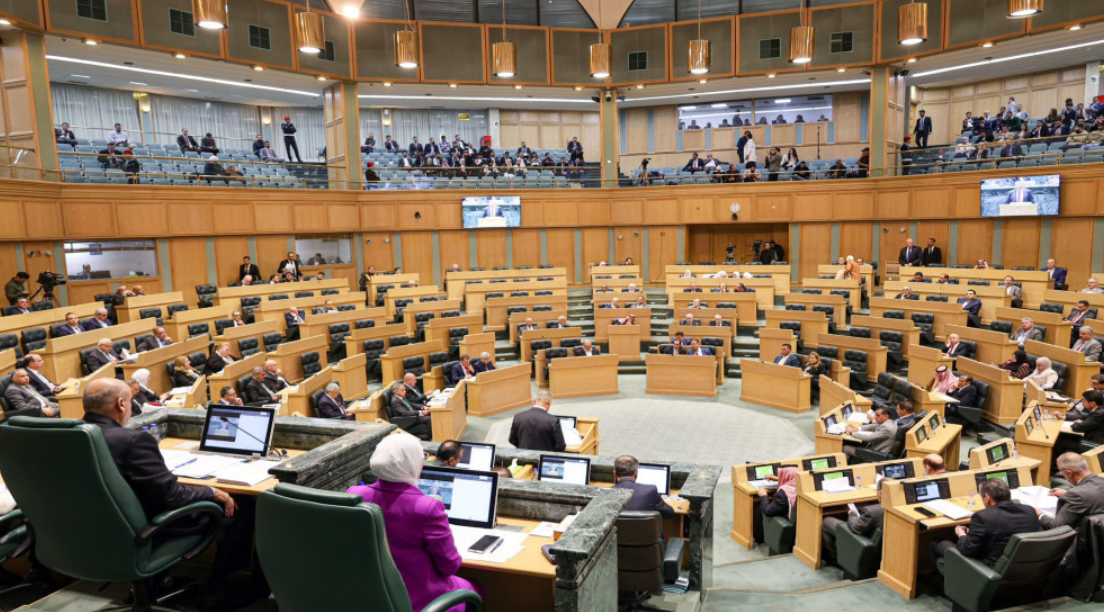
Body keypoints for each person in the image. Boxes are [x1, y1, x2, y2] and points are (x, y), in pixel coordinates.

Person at [80, 378, 258, 608]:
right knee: (241, 504)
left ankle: (154, 584)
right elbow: (172, 497)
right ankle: (216, 589)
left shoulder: (70, 437)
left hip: (91, 530)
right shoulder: (132, 440)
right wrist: (212, 491)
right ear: (121, 404)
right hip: (146, 529)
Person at [346, 435, 483, 611]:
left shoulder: (355, 494)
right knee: (476, 587)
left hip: (371, 596)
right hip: (418, 600)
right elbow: (450, 566)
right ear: (414, 464)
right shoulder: (427, 508)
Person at [930, 479, 1040, 568]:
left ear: (987, 498)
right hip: (1027, 568)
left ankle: (950, 587)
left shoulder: (983, 517)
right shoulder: (1029, 510)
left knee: (936, 543)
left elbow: (966, 550)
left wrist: (961, 535)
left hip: (990, 570)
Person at [822, 478, 886, 564]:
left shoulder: (871, 511)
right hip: (880, 546)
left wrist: (852, 514)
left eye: (877, 489)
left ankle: (834, 559)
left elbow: (855, 527)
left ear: (881, 492)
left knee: (826, 521)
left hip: (862, 539)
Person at [1038, 453, 1104, 530]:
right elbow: (1093, 496)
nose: (1061, 474)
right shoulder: (1101, 480)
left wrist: (1039, 514)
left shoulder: (1076, 495)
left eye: (1061, 472)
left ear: (1069, 473)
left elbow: (1056, 527)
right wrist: (1067, 493)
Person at [754, 467, 796, 543]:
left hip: (786, 519)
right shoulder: (801, 487)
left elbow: (767, 511)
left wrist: (764, 496)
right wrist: (777, 478)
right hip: (797, 519)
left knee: (760, 509)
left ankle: (760, 538)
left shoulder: (784, 494)